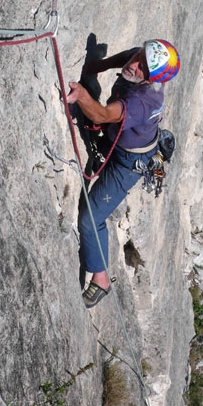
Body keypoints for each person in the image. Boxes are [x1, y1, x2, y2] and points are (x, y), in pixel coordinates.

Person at [66, 39, 180, 308]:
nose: (135, 65)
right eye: (139, 56)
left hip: (128, 162)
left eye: (143, 68)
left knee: (91, 217)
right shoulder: (141, 63)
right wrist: (92, 67)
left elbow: (103, 115)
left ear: (151, 79)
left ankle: (101, 278)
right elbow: (124, 59)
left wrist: (82, 95)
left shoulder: (143, 100)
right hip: (120, 141)